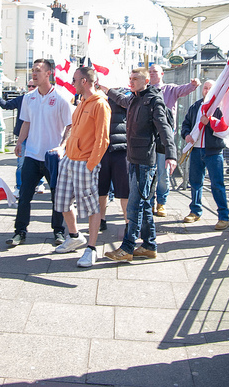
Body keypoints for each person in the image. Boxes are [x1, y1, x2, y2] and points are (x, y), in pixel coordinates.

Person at [103, 68, 177, 262]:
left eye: (135, 78)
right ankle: (149, 245)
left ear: (145, 80)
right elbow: (122, 100)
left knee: (134, 205)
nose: (131, 81)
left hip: (145, 161)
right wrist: (107, 89)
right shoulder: (135, 98)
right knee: (144, 205)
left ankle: (127, 248)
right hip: (134, 159)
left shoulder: (153, 100)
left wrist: (171, 155)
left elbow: (165, 130)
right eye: (130, 78)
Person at [6, 59, 73, 247]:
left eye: (38, 70)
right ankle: (20, 231)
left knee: (57, 197)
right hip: (32, 155)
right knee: (24, 195)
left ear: (48, 73)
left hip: (53, 157)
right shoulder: (29, 98)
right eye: (32, 70)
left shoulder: (60, 98)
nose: (34, 74)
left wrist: (62, 146)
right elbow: (26, 122)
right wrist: (20, 142)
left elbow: (70, 125)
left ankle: (58, 232)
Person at [52, 67, 110, 268]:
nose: (73, 82)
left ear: (84, 81)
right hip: (70, 159)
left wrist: (91, 165)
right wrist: (65, 150)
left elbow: (103, 139)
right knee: (61, 201)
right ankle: (75, 236)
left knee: (92, 206)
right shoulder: (82, 102)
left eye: (75, 79)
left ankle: (91, 249)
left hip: (84, 162)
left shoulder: (100, 105)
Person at [148, 64, 200, 217]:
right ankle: (149, 202)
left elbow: (184, 89)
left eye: (155, 71)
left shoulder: (170, 89)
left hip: (165, 138)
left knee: (163, 173)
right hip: (149, 137)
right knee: (149, 171)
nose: (152, 74)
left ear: (162, 74)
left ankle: (161, 203)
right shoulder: (145, 90)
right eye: (150, 72)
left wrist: (194, 84)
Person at [180, 80, 229, 230]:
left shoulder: (220, 107)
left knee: (217, 184)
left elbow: (225, 126)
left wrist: (211, 122)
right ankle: (195, 211)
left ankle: (223, 216)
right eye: (205, 88)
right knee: (195, 182)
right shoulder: (195, 106)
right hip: (196, 150)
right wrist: (186, 134)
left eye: (210, 88)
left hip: (213, 151)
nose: (207, 90)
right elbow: (186, 124)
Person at [97, 92, 130, 233]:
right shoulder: (98, 96)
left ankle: (129, 223)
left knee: (125, 191)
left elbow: (127, 103)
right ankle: (100, 220)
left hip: (121, 148)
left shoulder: (125, 94)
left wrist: (111, 91)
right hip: (101, 149)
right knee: (100, 189)